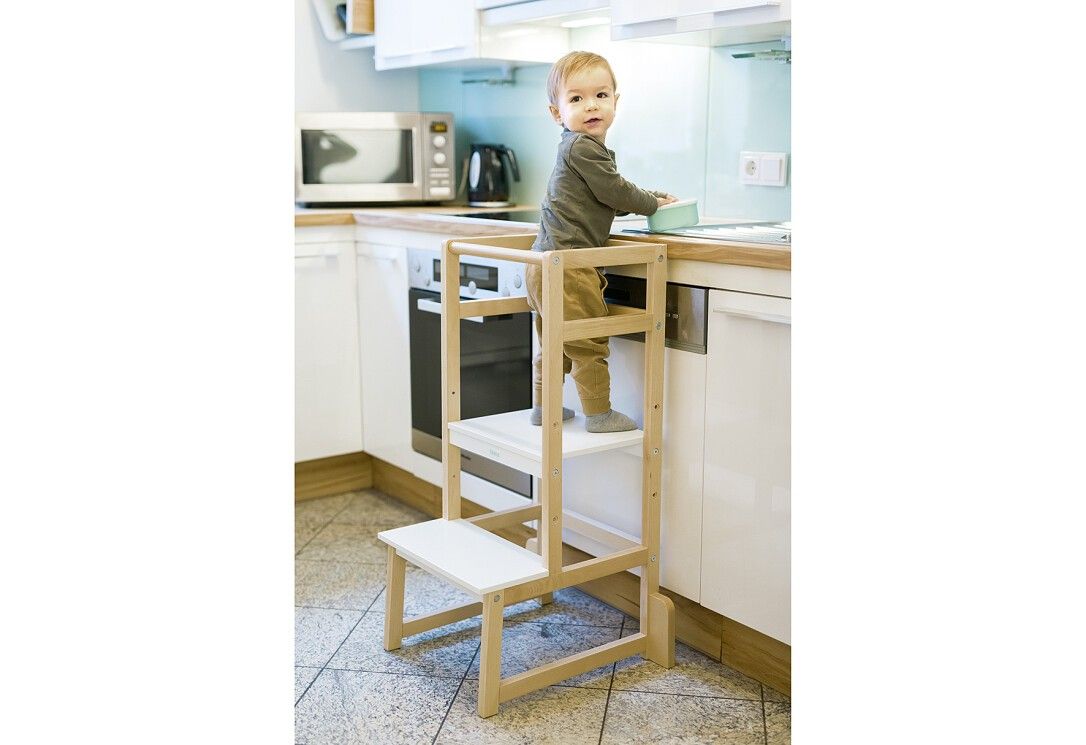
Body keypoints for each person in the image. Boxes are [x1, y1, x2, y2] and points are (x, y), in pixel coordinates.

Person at [526, 50, 676, 433]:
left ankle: (544, 408)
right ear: (557, 113)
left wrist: (651, 198)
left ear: (615, 102)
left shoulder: (577, 149)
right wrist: (651, 205)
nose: (591, 105)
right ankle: (598, 414)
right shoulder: (582, 147)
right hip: (570, 268)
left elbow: (606, 196)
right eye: (576, 98)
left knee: (555, 344)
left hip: (543, 263)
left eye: (600, 95)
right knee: (587, 341)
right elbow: (615, 190)